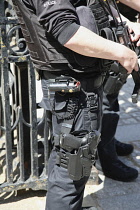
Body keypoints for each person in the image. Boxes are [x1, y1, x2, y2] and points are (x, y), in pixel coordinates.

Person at [11, 0, 140, 209]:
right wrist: (123, 53)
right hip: (75, 89)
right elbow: (66, 30)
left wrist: (122, 23)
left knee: (66, 162)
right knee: (72, 173)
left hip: (76, 86)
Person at [97, 2, 139, 182]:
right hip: (95, 25)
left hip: (111, 18)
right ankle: (105, 158)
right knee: (105, 95)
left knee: (112, 92)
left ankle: (107, 142)